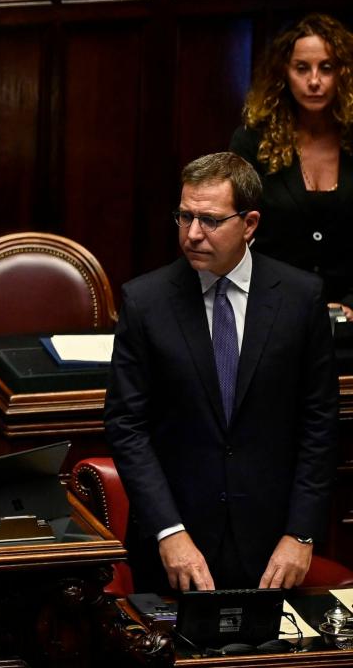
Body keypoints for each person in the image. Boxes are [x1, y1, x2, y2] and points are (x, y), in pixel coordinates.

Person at [104, 152, 339, 592]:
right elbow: (126, 426)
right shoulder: (145, 302)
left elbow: (319, 424)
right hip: (175, 548)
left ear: (249, 224)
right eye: (185, 217)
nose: (193, 233)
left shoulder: (300, 298)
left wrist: (301, 532)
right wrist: (168, 531)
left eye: (210, 220)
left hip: (275, 546)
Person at [230, 12, 353, 316]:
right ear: (283, 73)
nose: (314, 81)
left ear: (344, 73)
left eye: (326, 68)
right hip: (272, 309)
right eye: (302, 68)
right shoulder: (252, 141)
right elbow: (233, 232)